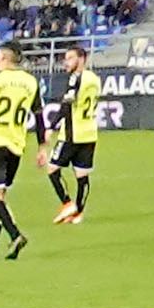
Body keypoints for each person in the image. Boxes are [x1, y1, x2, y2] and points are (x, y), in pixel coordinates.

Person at [0, 40, 41, 258]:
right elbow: (39, 115)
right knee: (1, 195)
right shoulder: (31, 82)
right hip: (16, 145)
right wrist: (42, 146)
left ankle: (15, 235)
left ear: (3, 57)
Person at [52, 49, 107, 225]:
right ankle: (78, 213)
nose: (66, 62)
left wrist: (52, 125)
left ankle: (67, 203)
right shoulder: (95, 79)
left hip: (72, 133)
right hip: (89, 132)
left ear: (82, 59)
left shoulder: (77, 77)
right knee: (82, 175)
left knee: (53, 169)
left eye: (70, 58)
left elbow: (67, 104)